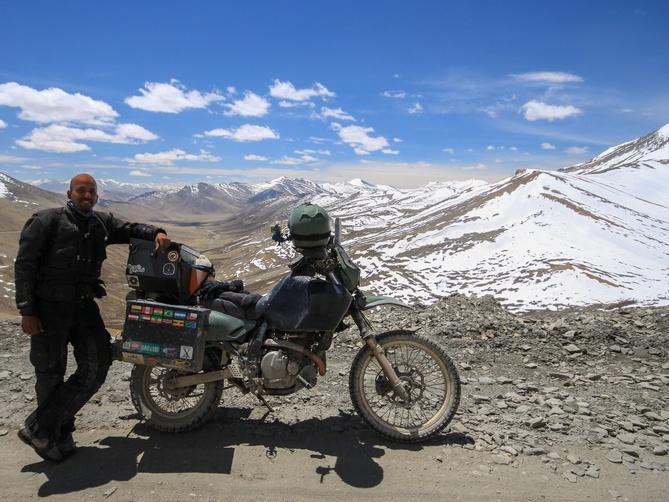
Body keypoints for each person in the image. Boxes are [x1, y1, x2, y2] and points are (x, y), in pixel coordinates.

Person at [14, 173, 170, 462]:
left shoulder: (100, 223)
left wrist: (156, 231)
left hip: (83, 306)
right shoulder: (46, 221)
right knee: (50, 372)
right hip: (48, 310)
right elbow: (24, 266)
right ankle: (55, 433)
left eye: (92, 191)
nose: (87, 196)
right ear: (69, 193)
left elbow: (129, 229)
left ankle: (41, 428)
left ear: (96, 195)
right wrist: (27, 311)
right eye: (81, 191)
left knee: (98, 362)